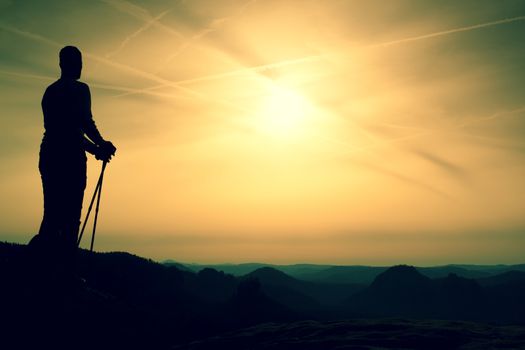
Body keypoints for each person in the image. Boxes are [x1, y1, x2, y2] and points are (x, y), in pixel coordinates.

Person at [29, 46, 116, 273]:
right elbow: (84, 123)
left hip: (49, 155)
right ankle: (65, 272)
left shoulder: (49, 92)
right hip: (70, 159)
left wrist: (97, 149)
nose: (80, 66)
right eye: (78, 61)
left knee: (52, 214)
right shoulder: (80, 90)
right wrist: (101, 145)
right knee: (71, 216)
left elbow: (66, 132)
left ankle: (43, 267)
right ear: (70, 64)